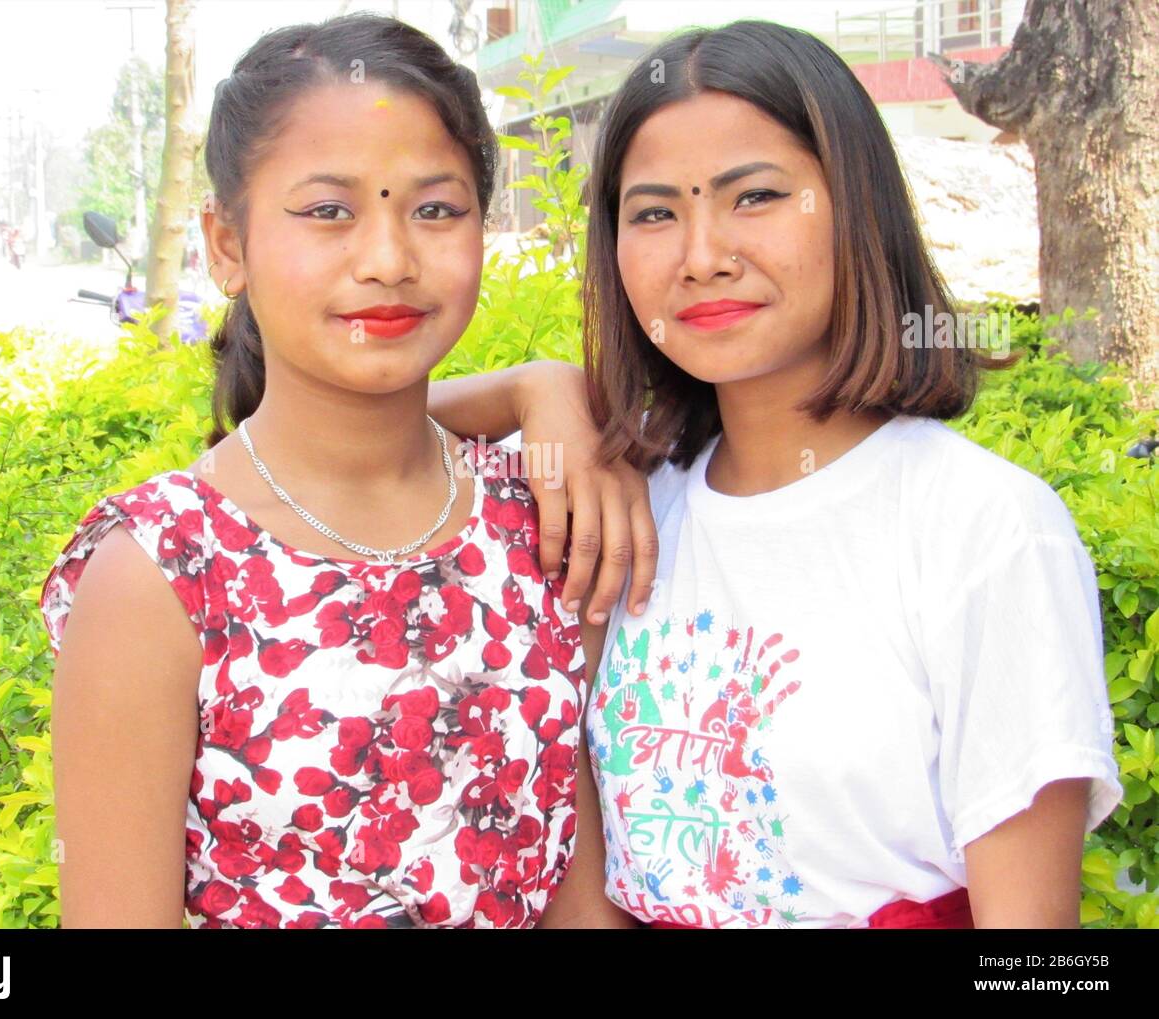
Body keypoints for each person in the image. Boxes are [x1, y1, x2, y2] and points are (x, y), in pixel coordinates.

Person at [426, 20, 1123, 928]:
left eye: (754, 196)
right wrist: (535, 389)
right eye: (654, 212)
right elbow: (324, 443)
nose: (702, 253)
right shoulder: (627, 498)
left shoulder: (981, 527)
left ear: (856, 205)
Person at [39, 13, 626, 930]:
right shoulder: (161, 574)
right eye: (327, 211)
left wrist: (537, 389)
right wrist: (527, 385)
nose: (388, 259)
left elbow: (584, 899)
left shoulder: (538, 517)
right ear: (226, 245)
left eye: (436, 208)